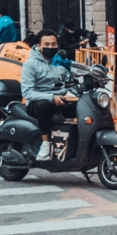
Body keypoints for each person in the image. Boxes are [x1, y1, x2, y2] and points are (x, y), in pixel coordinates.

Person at [21, 29, 78, 161]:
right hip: (38, 102)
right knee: (44, 105)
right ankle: (45, 144)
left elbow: (70, 83)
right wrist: (51, 98)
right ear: (39, 46)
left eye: (53, 44)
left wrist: (77, 93)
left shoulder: (61, 62)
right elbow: (27, 92)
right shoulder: (30, 65)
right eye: (46, 44)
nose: (50, 47)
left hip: (61, 99)